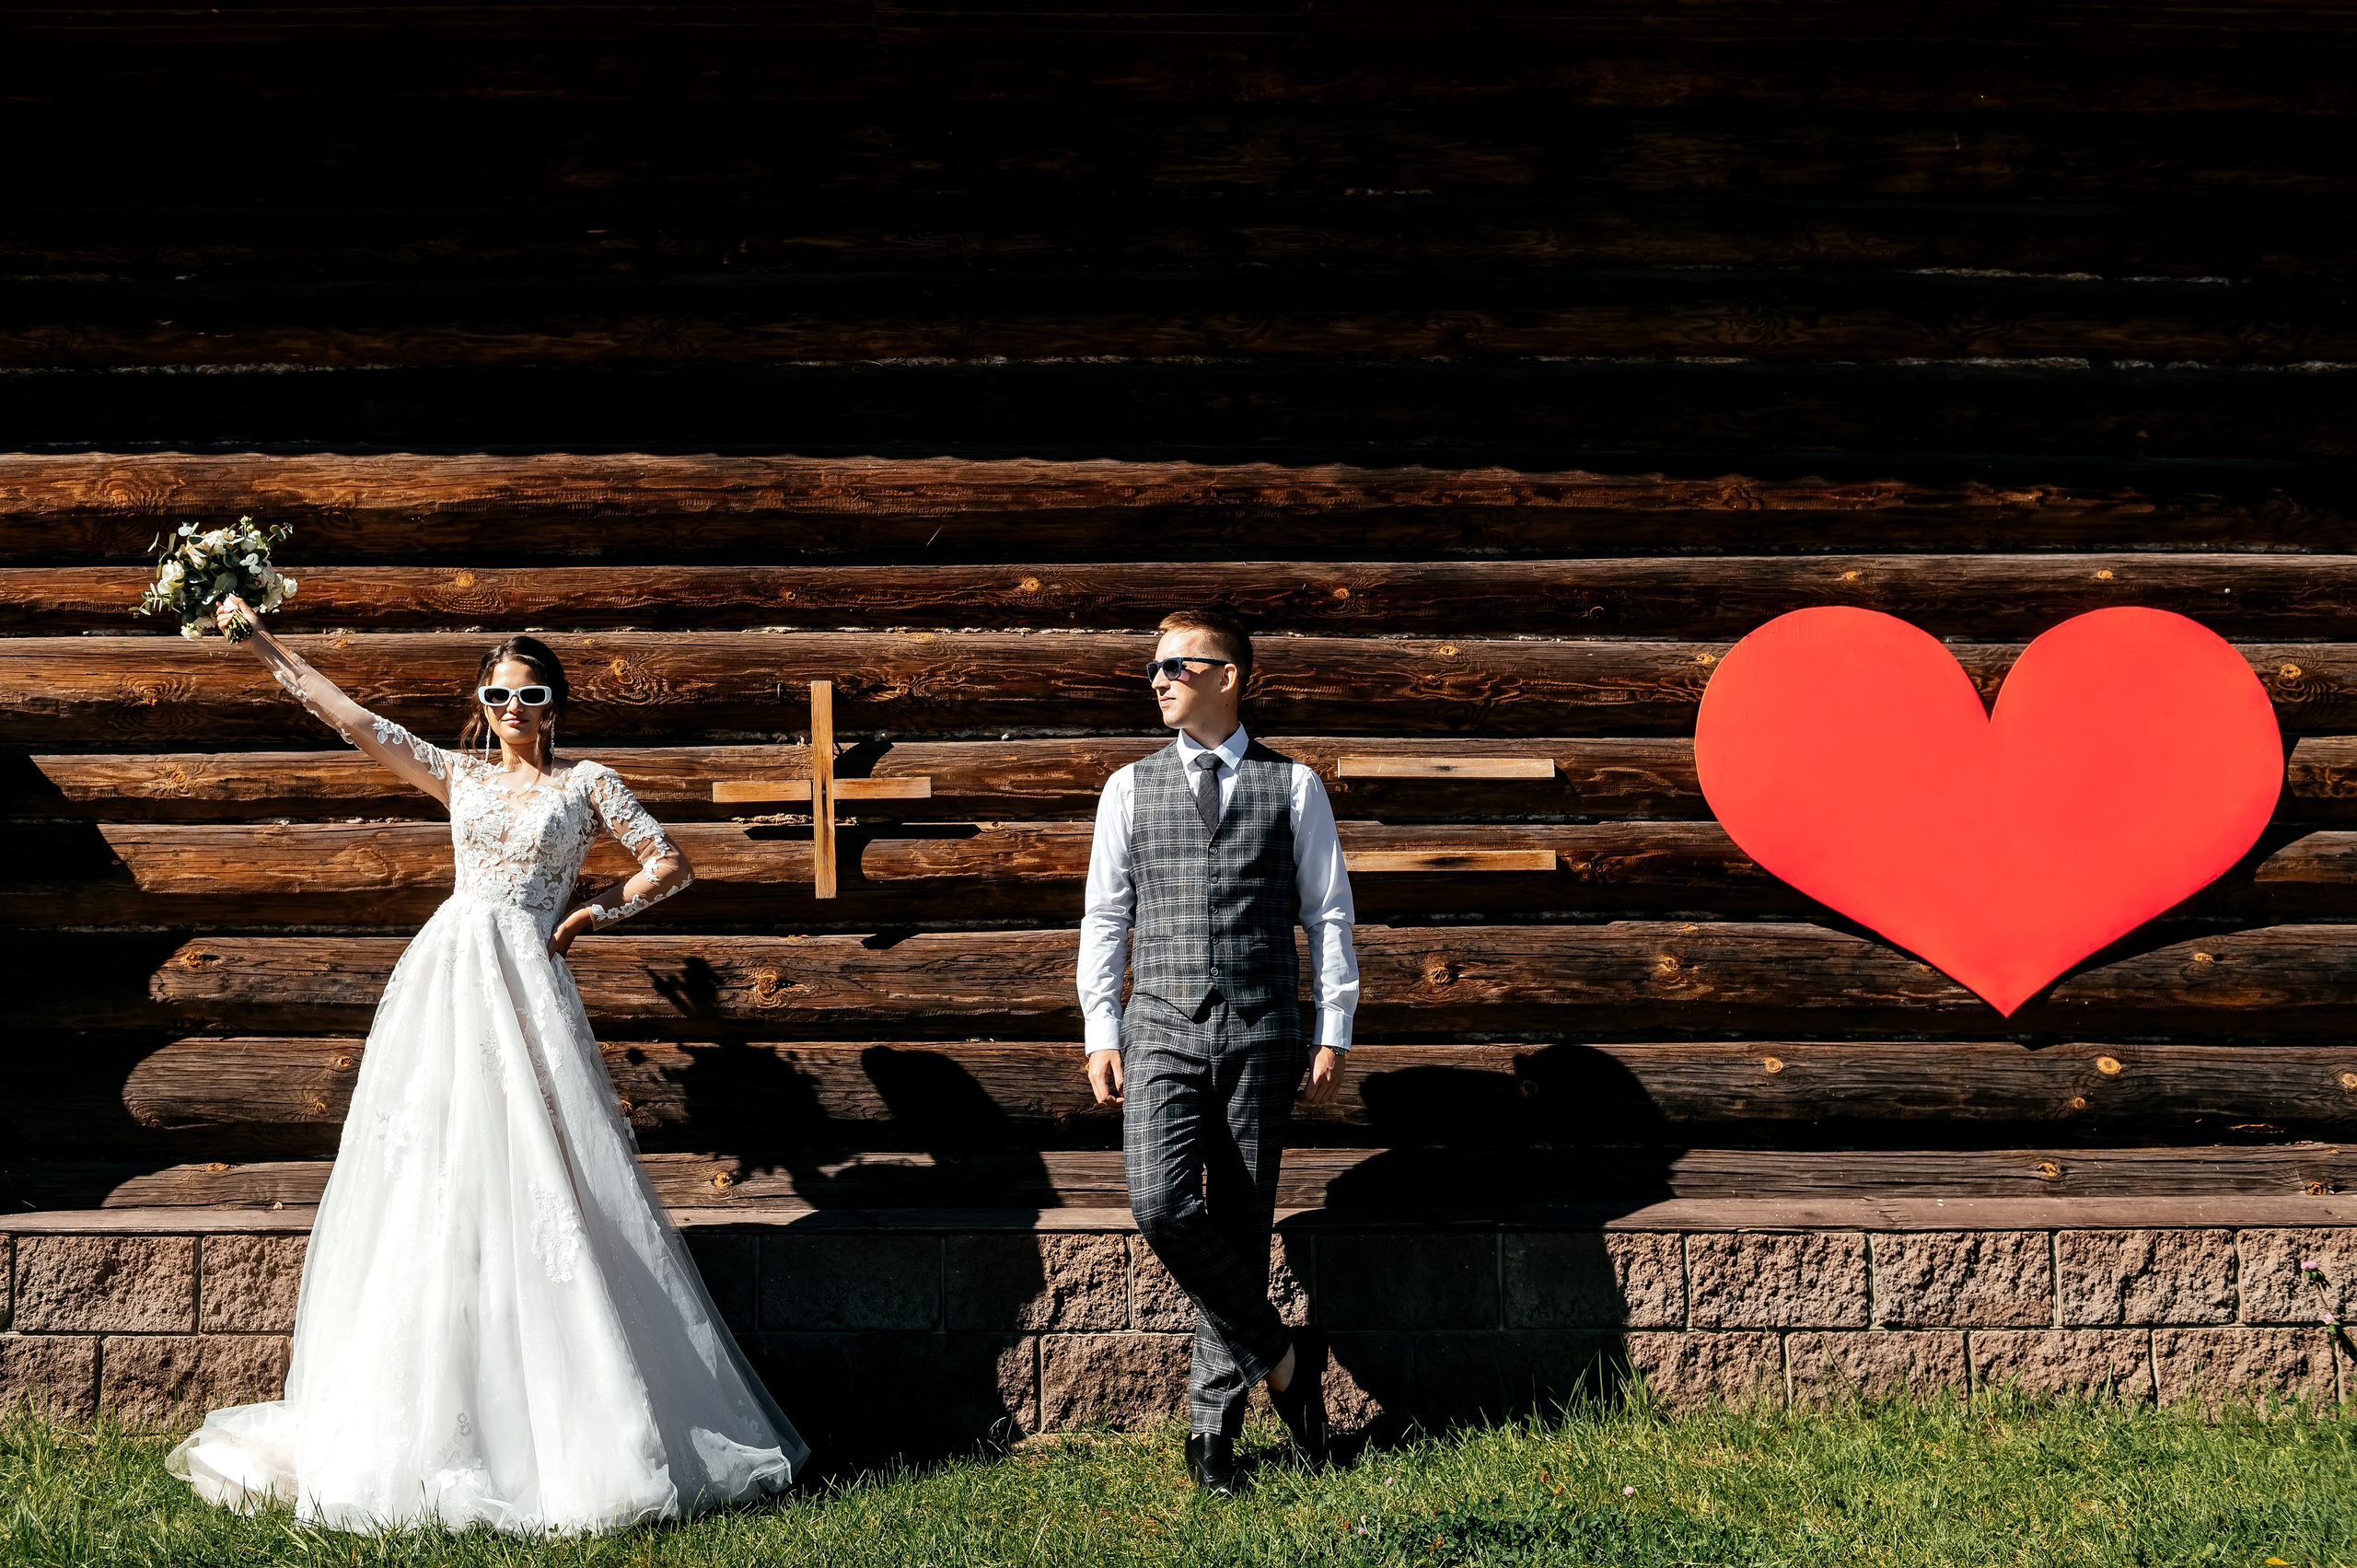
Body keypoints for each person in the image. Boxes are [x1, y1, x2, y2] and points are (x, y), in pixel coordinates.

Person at [167, 597, 806, 1534]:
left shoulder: (586, 782)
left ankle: (575, 1423)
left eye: (532, 693)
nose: (514, 706)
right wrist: (259, 639)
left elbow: (669, 863)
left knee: (545, 1175)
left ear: (553, 704)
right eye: (499, 692)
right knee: (433, 1173)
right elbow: (347, 715)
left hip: (528, 985)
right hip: (448, 981)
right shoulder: (455, 773)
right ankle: (419, 1419)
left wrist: (592, 911)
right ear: (483, 701)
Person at [1078, 608, 1358, 1495]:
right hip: (1158, 1022)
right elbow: (1106, 916)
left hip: (1264, 1026)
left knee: (1239, 1222)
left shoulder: (1294, 785)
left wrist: (1333, 1026)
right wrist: (1100, 1027)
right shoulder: (1128, 786)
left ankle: (1212, 1436)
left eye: (1176, 665)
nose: (1157, 679)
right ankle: (1282, 1357)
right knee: (1161, 1202)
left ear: (1229, 675)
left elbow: (1329, 912)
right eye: (1152, 667)